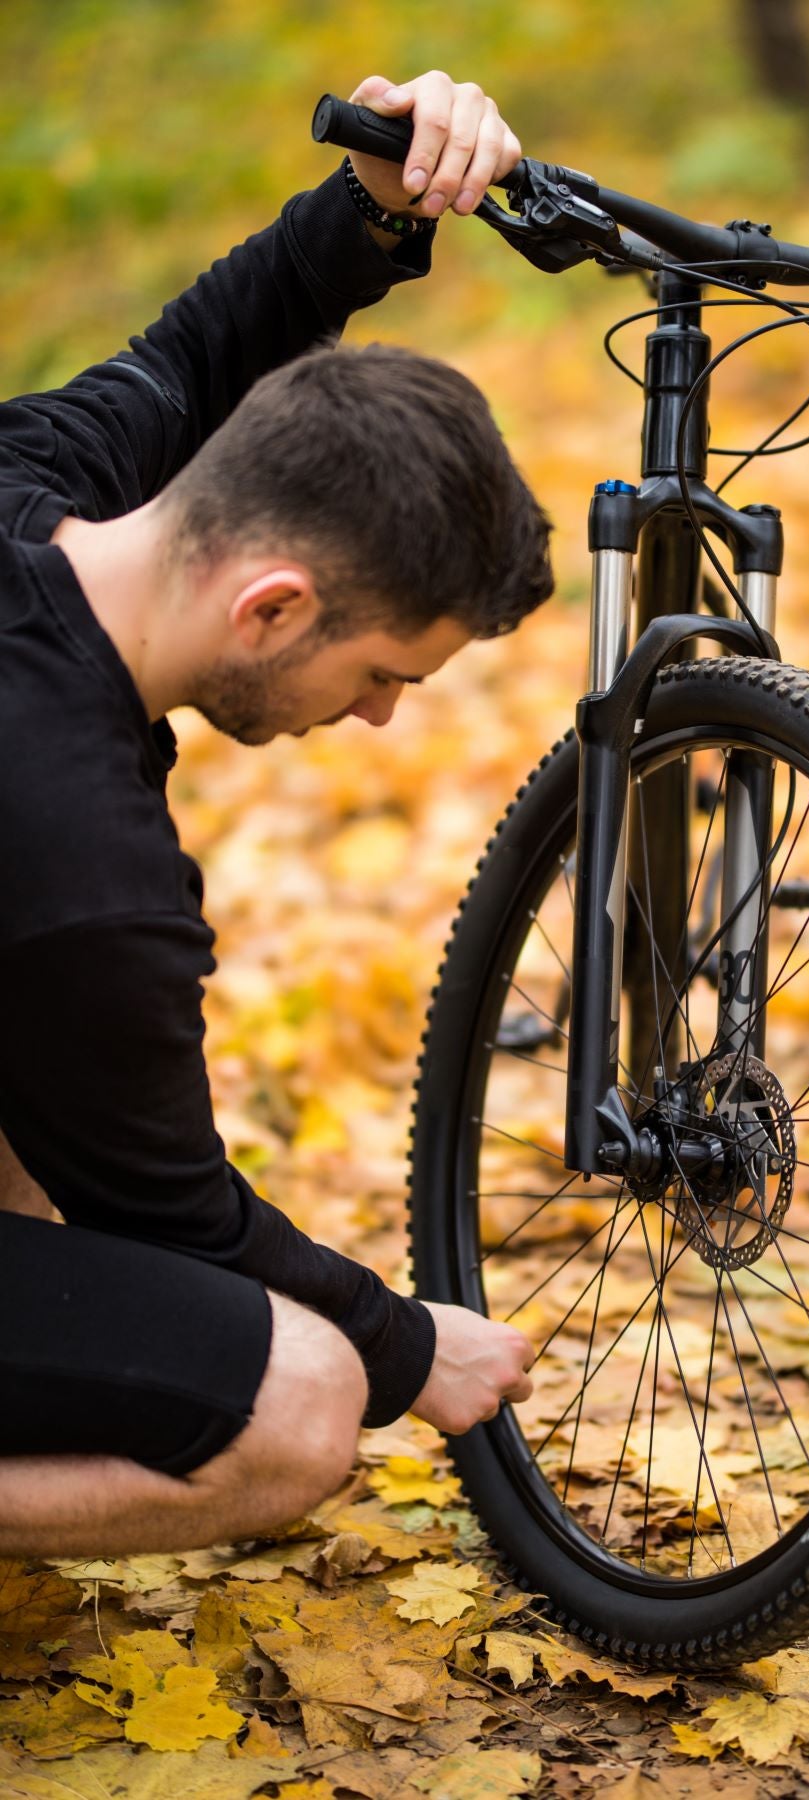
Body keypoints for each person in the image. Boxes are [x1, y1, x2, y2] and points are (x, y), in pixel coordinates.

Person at [0, 72, 550, 1556]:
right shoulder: (78, 856)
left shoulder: (41, 483)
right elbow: (175, 1207)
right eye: (382, 675)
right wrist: (408, 1346)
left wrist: (377, 204)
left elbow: (201, 348)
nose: (373, 718)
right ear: (273, 604)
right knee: (301, 1401)